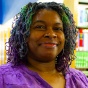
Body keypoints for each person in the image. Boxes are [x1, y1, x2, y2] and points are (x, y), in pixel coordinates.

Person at [0, 2, 88, 88]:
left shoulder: (80, 79)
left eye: (57, 28)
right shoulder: (3, 77)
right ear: (23, 34)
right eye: (40, 27)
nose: (51, 34)